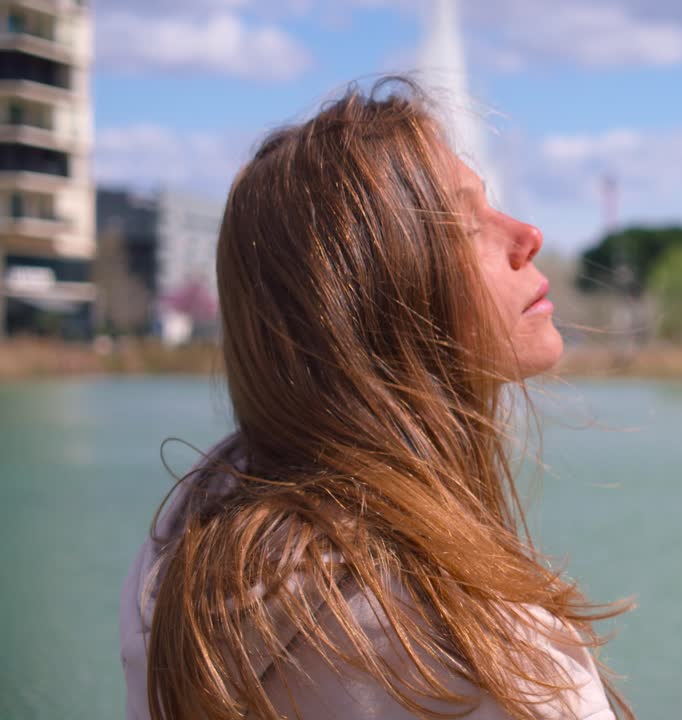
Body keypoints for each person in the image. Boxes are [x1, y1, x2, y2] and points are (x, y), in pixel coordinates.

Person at [118, 78, 632, 720]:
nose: (527, 234)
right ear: (376, 297)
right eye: (462, 224)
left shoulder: (182, 545)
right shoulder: (498, 667)